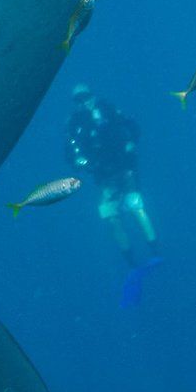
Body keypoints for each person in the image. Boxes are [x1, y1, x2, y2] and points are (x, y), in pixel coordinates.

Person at [65, 85, 159, 270]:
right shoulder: (74, 123)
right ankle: (132, 263)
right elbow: (70, 153)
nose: (85, 102)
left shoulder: (108, 109)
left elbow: (133, 128)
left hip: (124, 167)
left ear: (93, 95)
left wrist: (130, 145)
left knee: (135, 205)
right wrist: (81, 163)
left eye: (87, 97)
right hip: (102, 175)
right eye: (79, 100)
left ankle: (155, 252)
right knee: (111, 217)